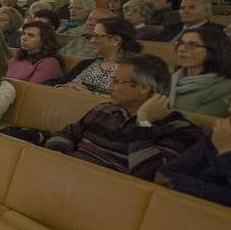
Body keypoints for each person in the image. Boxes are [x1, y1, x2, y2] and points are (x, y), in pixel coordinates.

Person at [44, 54, 201, 181]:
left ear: (144, 88)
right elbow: (66, 134)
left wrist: (143, 122)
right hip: (66, 176)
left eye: (116, 81)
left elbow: (148, 175)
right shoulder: (105, 109)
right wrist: (56, 156)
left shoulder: (180, 129)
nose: (108, 87)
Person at [158, 75, 231, 217]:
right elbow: (165, 177)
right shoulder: (222, 133)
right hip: (190, 218)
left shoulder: (225, 138)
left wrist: (230, 152)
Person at [58, 16, 140, 94]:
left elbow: (129, 101)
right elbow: (60, 85)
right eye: (92, 36)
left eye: (97, 36)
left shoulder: (133, 70)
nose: (92, 41)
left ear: (115, 40)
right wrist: (65, 87)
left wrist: (90, 96)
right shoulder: (86, 64)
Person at [168, 27, 231, 117]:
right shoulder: (171, 77)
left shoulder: (225, 88)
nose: (181, 49)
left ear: (214, 51)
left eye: (192, 45)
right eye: (181, 43)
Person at [155, 0, 225, 43]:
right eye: (182, 8)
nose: (185, 11)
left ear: (206, 11)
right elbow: (154, 45)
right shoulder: (170, 27)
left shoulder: (217, 31)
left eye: (191, 7)